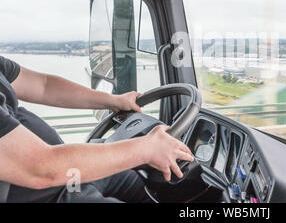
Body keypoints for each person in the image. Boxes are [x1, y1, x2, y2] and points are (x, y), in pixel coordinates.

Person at [0, 55, 193, 202]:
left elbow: (44, 86)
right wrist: (147, 149)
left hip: (68, 177)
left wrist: (114, 101)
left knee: (134, 181)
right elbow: (40, 168)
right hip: (48, 193)